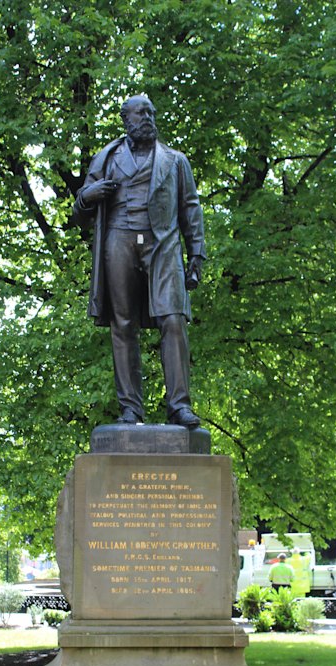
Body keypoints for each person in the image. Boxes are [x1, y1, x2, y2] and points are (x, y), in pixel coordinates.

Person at [72, 95, 206, 427]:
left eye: (151, 112)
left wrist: (196, 254)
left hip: (162, 244)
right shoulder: (107, 158)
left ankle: (179, 405)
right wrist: (88, 196)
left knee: (173, 319)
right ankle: (130, 408)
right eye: (140, 112)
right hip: (119, 240)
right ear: (125, 119)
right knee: (123, 323)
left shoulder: (175, 161)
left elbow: (190, 207)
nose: (147, 117)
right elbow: (79, 211)